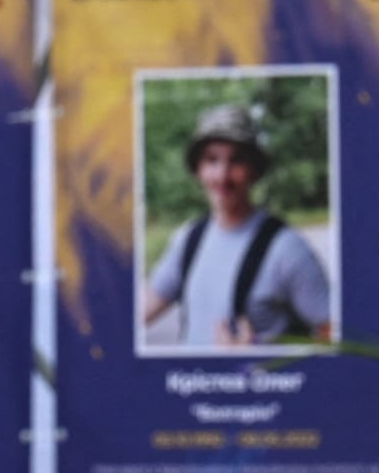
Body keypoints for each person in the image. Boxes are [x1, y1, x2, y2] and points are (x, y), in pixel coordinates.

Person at [142, 103, 332, 349]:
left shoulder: (287, 249)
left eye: (236, 161)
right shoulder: (188, 238)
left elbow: (337, 332)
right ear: (198, 169)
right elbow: (141, 311)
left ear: (254, 170)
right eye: (212, 160)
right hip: (189, 385)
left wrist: (260, 351)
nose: (222, 176)